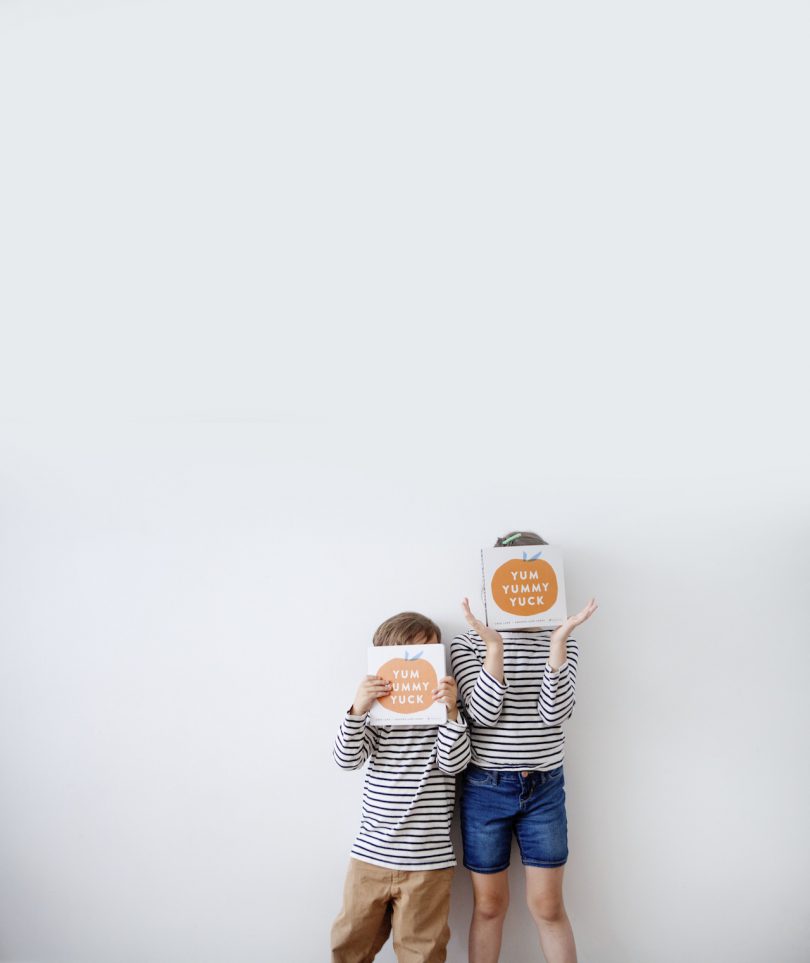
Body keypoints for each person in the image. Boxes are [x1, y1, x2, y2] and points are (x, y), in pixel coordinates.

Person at [451, 531, 598, 963]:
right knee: (490, 905)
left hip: (545, 790)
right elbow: (481, 715)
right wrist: (493, 647)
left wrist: (557, 643)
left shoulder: (564, 642)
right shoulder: (468, 644)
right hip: (485, 788)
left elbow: (555, 713)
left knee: (548, 907)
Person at [331, 611, 472, 963]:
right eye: (405, 655)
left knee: (422, 952)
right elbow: (346, 759)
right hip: (371, 856)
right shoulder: (376, 716)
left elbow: (455, 763)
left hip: (428, 862)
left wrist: (451, 712)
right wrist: (357, 709)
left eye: (424, 654)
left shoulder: (444, 715)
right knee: (349, 944)